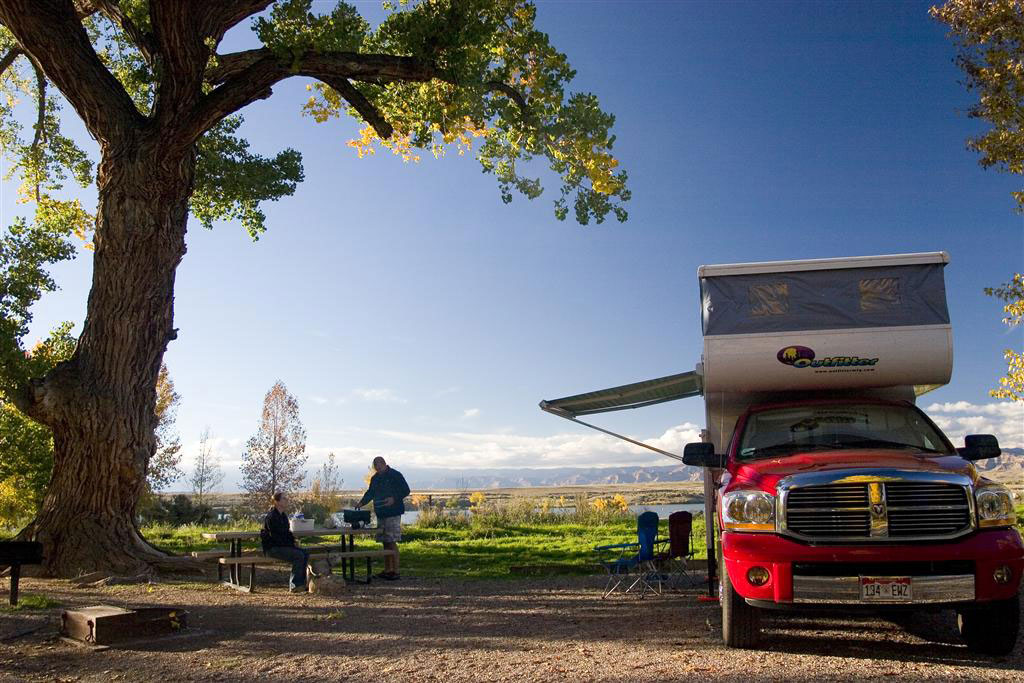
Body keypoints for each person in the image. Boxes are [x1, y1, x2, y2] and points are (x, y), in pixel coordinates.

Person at [355, 456, 410, 580]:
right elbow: (370, 493)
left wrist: (394, 498)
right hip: (381, 512)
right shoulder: (375, 478)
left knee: (392, 540)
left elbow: (406, 490)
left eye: (380, 467)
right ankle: (387, 570)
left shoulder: (395, 475)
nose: (378, 469)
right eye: (376, 468)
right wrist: (361, 503)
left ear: (385, 464)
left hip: (393, 512)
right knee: (385, 541)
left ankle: (395, 571)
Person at [260, 491, 310, 592]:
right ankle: (295, 585)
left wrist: (293, 542)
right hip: (273, 548)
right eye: (284, 498)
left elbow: (287, 533)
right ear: (277, 502)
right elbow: (275, 537)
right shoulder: (271, 517)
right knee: (298, 555)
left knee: (305, 553)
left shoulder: (283, 516)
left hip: (282, 546)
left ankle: (302, 583)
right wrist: (291, 545)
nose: (287, 500)